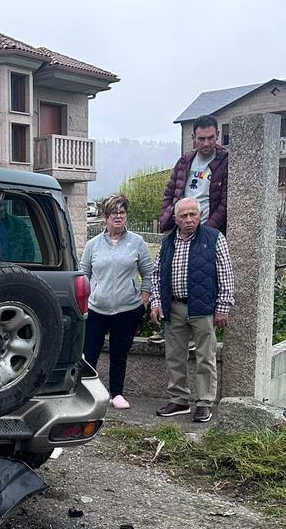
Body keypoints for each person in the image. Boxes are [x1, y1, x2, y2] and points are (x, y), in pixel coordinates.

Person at [150, 197, 233, 424]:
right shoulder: (168, 243)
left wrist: (223, 307)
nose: (189, 219)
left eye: (193, 214)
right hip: (173, 307)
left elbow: (225, 275)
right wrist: (156, 302)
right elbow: (157, 275)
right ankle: (179, 399)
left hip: (203, 307)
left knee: (205, 357)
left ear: (200, 215)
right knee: (174, 356)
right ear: (176, 219)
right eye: (184, 215)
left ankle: (204, 402)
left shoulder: (214, 238)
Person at [78, 194, 154, 409]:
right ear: (105, 218)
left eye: (122, 212)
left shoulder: (137, 242)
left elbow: (148, 273)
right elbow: (84, 274)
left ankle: (117, 393)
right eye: (114, 213)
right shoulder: (93, 245)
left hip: (128, 309)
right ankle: (86, 393)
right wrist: (84, 302)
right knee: (89, 354)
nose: (118, 217)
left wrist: (144, 300)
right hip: (96, 309)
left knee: (119, 354)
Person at [159, 114, 229, 235]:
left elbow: (225, 204)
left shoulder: (226, 162)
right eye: (201, 139)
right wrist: (167, 218)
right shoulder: (184, 161)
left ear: (217, 134)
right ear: (193, 137)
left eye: (210, 138)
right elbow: (169, 194)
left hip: (209, 231)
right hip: (180, 229)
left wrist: (206, 231)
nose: (206, 143)